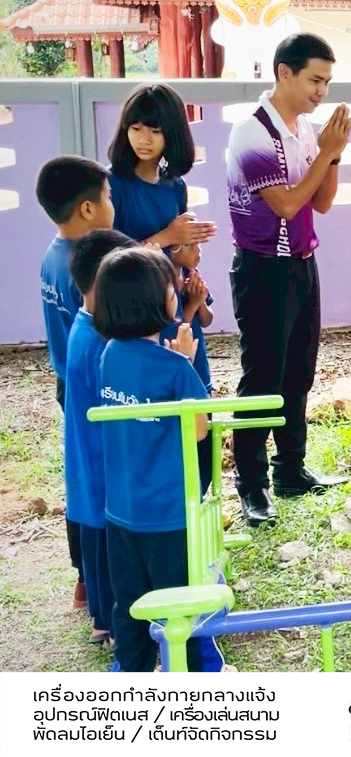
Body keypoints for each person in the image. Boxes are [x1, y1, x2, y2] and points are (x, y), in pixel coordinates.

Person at [226, 33, 351, 525]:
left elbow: (322, 202)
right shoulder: (252, 133)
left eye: (327, 82)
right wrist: (326, 152)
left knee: (299, 370)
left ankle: (291, 470)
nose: (322, 91)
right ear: (284, 73)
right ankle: (252, 485)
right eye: (315, 79)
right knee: (262, 377)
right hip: (262, 269)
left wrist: (332, 155)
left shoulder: (305, 131)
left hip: (301, 263)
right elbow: (286, 203)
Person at [93, 246, 224, 672]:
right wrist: (185, 362)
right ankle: (195, 675)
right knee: (182, 606)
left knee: (130, 604)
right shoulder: (175, 368)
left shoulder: (108, 354)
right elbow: (199, 430)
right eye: (172, 290)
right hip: (169, 515)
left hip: (121, 510)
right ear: (159, 303)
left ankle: (129, 672)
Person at [36, 155, 117, 609]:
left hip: (67, 381)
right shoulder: (82, 271)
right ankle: (93, 577)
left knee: (82, 477)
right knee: (96, 482)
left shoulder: (52, 255)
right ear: (88, 209)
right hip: (89, 388)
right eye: (108, 197)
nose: (112, 206)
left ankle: (84, 579)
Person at [65, 228, 136, 646]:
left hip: (89, 467)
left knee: (97, 537)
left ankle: (102, 618)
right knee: (108, 544)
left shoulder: (84, 327)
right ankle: (109, 624)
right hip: (103, 467)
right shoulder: (100, 344)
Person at [106, 84, 217, 249]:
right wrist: (166, 237)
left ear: (173, 134)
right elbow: (107, 258)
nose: (144, 139)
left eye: (155, 131)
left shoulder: (176, 185)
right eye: (136, 129)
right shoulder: (109, 184)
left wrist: (188, 248)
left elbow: (177, 250)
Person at [171, 242, 214, 395]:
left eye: (198, 243)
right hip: (179, 373)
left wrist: (200, 301)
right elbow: (177, 337)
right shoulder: (165, 287)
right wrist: (193, 304)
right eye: (190, 244)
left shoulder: (190, 273)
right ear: (172, 248)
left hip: (199, 370)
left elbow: (207, 321)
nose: (198, 249)